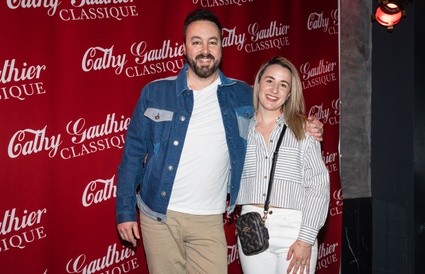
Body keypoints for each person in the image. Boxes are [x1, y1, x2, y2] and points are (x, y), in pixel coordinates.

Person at [116, 9, 323, 274]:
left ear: (222, 46)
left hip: (210, 219)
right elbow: (132, 155)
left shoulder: (241, 95)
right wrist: (124, 211)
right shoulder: (155, 92)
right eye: (196, 41)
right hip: (158, 216)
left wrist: (307, 124)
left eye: (212, 41)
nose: (205, 49)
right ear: (184, 47)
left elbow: (276, 108)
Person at [236, 56, 330, 274]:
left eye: (283, 85)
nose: (274, 89)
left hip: (295, 228)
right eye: (269, 81)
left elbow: (318, 185)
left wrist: (306, 239)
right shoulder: (241, 131)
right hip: (252, 225)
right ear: (259, 82)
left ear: (289, 93)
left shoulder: (303, 130)